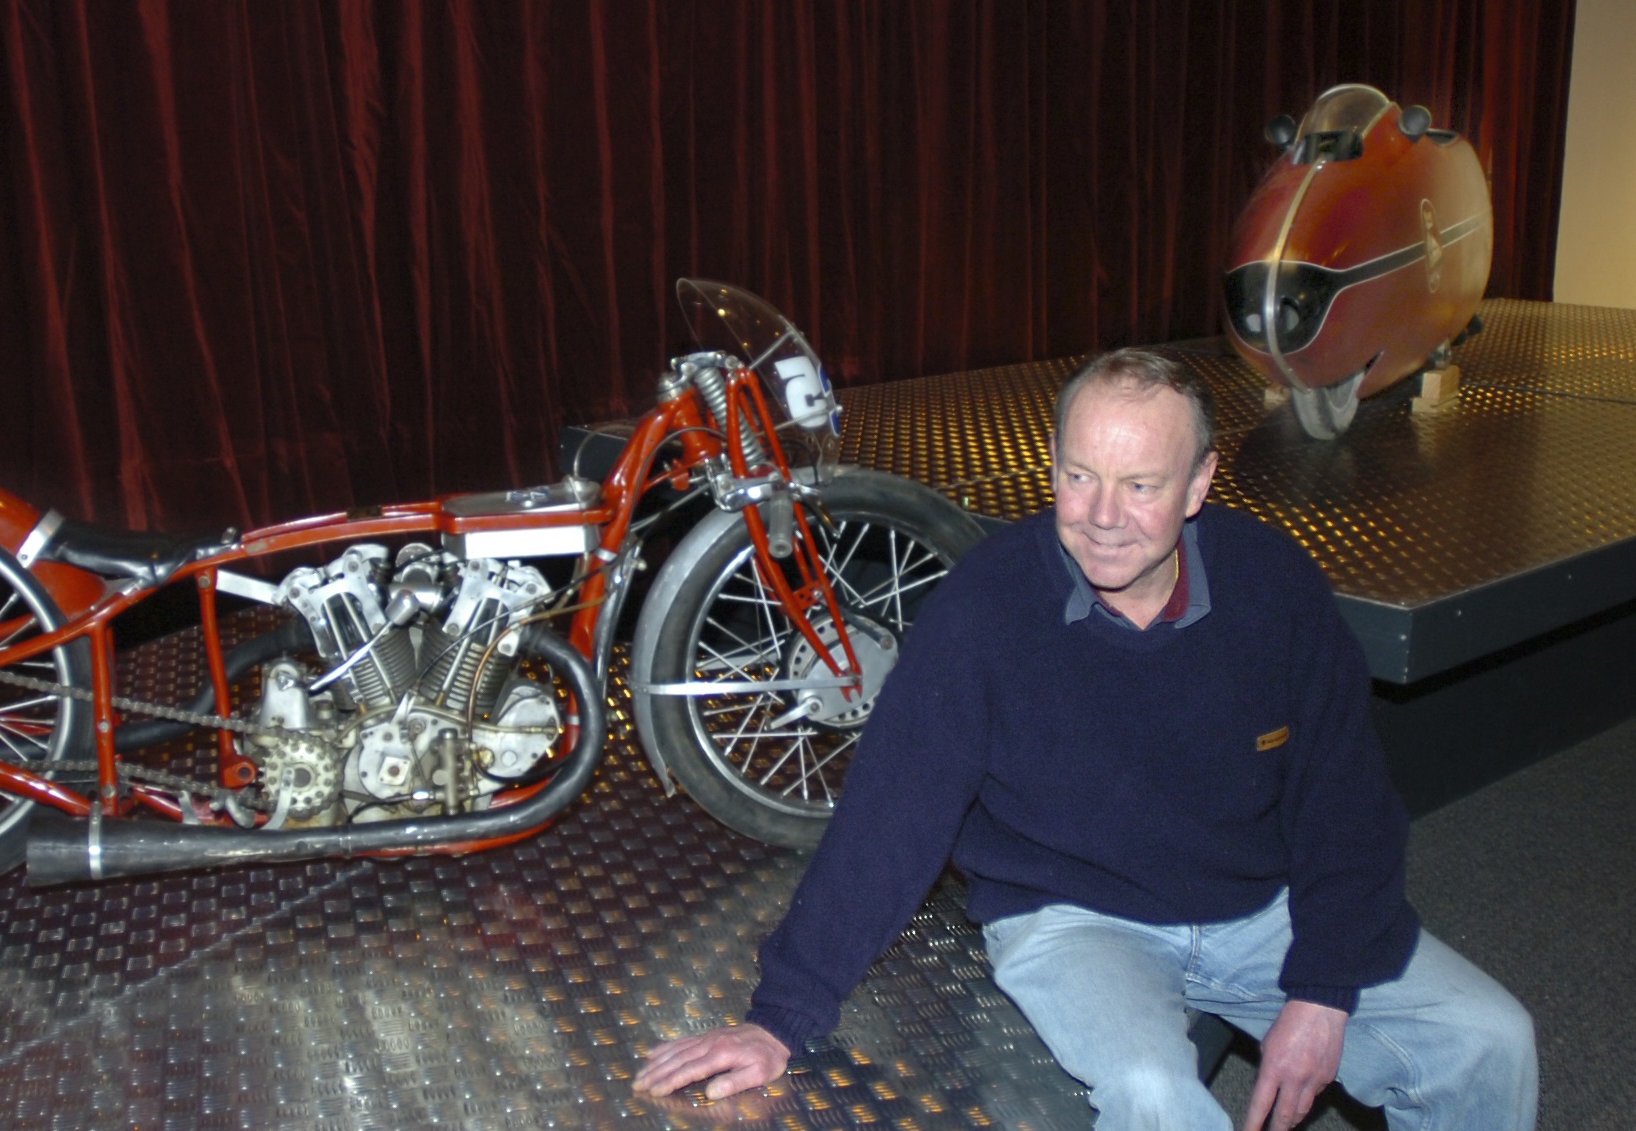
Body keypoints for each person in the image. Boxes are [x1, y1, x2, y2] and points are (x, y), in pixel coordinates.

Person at [632, 349, 1537, 1130]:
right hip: (1075, 916)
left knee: (1490, 1041)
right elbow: (889, 816)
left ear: (1198, 485)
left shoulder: (1274, 589)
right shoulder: (986, 608)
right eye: (1078, 476)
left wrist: (1325, 983)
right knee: (1154, 1093)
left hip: (1261, 904)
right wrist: (780, 1017)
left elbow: (1345, 803)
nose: (1102, 516)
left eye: (1140, 485)